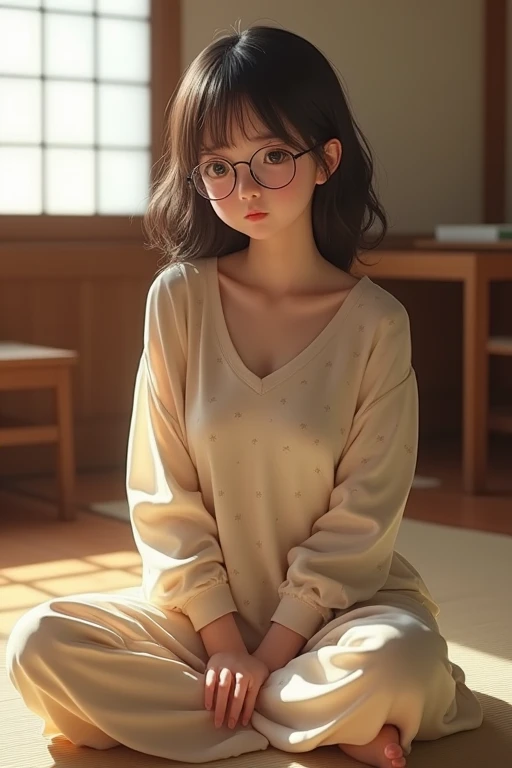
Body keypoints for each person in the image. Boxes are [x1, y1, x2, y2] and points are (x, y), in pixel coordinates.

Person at [6, 24, 483, 768]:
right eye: (217, 168)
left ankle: (230, 711)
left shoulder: (378, 325)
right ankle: (325, 722)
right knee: (38, 644)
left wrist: (275, 648)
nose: (245, 188)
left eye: (270, 157)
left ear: (327, 159)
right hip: (197, 627)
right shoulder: (178, 301)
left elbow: (363, 518)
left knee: (402, 663)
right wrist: (228, 647)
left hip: (339, 617)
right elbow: (162, 496)